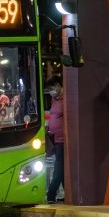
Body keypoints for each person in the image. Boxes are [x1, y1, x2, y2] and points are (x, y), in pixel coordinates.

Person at [45, 75, 65, 203]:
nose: (51, 91)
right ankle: (68, 194)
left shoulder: (66, 99)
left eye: (52, 88)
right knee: (61, 168)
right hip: (55, 140)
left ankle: (51, 194)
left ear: (58, 86)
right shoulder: (54, 99)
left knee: (58, 168)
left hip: (63, 141)